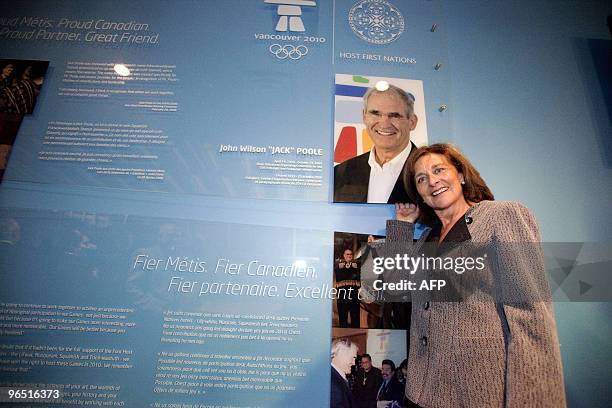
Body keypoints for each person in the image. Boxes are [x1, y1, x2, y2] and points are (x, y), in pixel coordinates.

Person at [375, 143, 566, 407]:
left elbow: (531, 318)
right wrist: (401, 227)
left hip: (476, 392)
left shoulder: (501, 216)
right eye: (421, 179)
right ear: (419, 193)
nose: (432, 181)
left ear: (461, 175)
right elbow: (395, 288)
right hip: (420, 392)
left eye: (439, 169)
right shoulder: (426, 241)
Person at [334, 83, 418, 203]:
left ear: (412, 122)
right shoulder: (341, 173)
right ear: (364, 117)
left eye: (394, 115)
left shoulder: (431, 173)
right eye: (375, 113)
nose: (384, 124)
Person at [334, 248, 361, 327]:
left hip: (354, 296)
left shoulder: (357, 266)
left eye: (351, 254)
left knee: (355, 320)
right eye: (347, 254)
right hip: (342, 296)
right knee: (343, 319)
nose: (349, 256)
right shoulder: (338, 265)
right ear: (344, 256)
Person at [331, 338, 358, 408]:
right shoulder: (332, 382)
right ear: (341, 354)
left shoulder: (335, 376)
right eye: (353, 357)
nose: (354, 363)